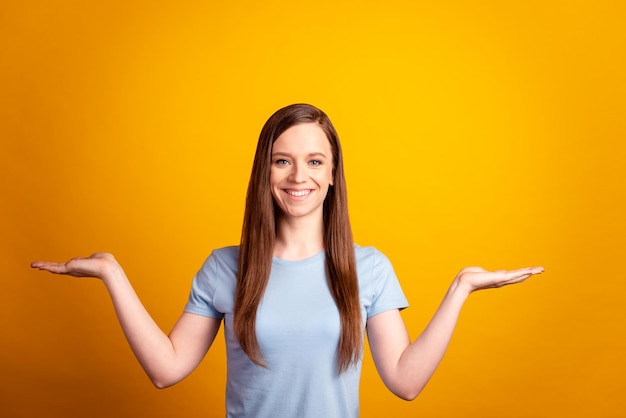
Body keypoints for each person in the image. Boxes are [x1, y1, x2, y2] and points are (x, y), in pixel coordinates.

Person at [31, 103, 543, 418]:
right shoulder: (224, 268)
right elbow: (166, 370)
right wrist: (112, 274)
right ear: (265, 171)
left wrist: (461, 289)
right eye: (283, 160)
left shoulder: (369, 269)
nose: (300, 175)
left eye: (315, 161)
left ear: (334, 174)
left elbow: (405, 383)